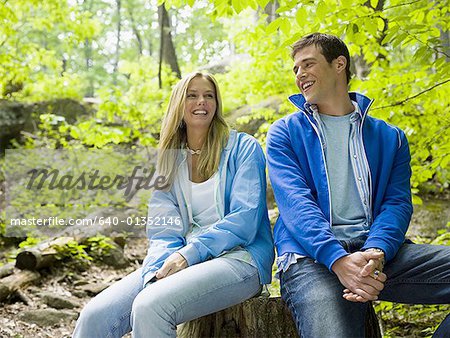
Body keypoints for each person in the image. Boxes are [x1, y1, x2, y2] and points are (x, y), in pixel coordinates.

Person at [266, 32, 450, 337]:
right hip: (311, 259)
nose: (300, 75)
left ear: (340, 64)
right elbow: (295, 204)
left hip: (379, 254)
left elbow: (397, 203)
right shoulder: (284, 133)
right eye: (296, 69)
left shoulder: (389, 137)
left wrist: (378, 250)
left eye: (308, 64)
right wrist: (338, 260)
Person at [73, 72, 274, 337]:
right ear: (179, 103)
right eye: (192, 95)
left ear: (216, 103)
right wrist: (157, 271)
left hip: (240, 259)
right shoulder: (170, 161)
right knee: (94, 316)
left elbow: (244, 220)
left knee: (150, 306)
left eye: (208, 95)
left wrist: (189, 254)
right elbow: (163, 230)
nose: (201, 101)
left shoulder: (243, 148)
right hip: (182, 259)